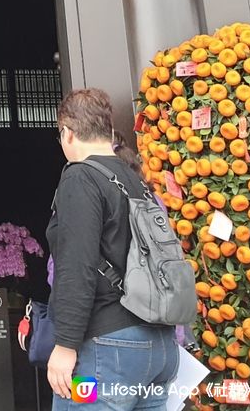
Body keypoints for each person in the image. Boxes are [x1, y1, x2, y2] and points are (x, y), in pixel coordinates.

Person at [47, 89, 179, 411]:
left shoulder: (80, 177)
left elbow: (76, 266)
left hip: (108, 353)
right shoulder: (136, 181)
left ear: (68, 133)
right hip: (159, 349)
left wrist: (65, 345)